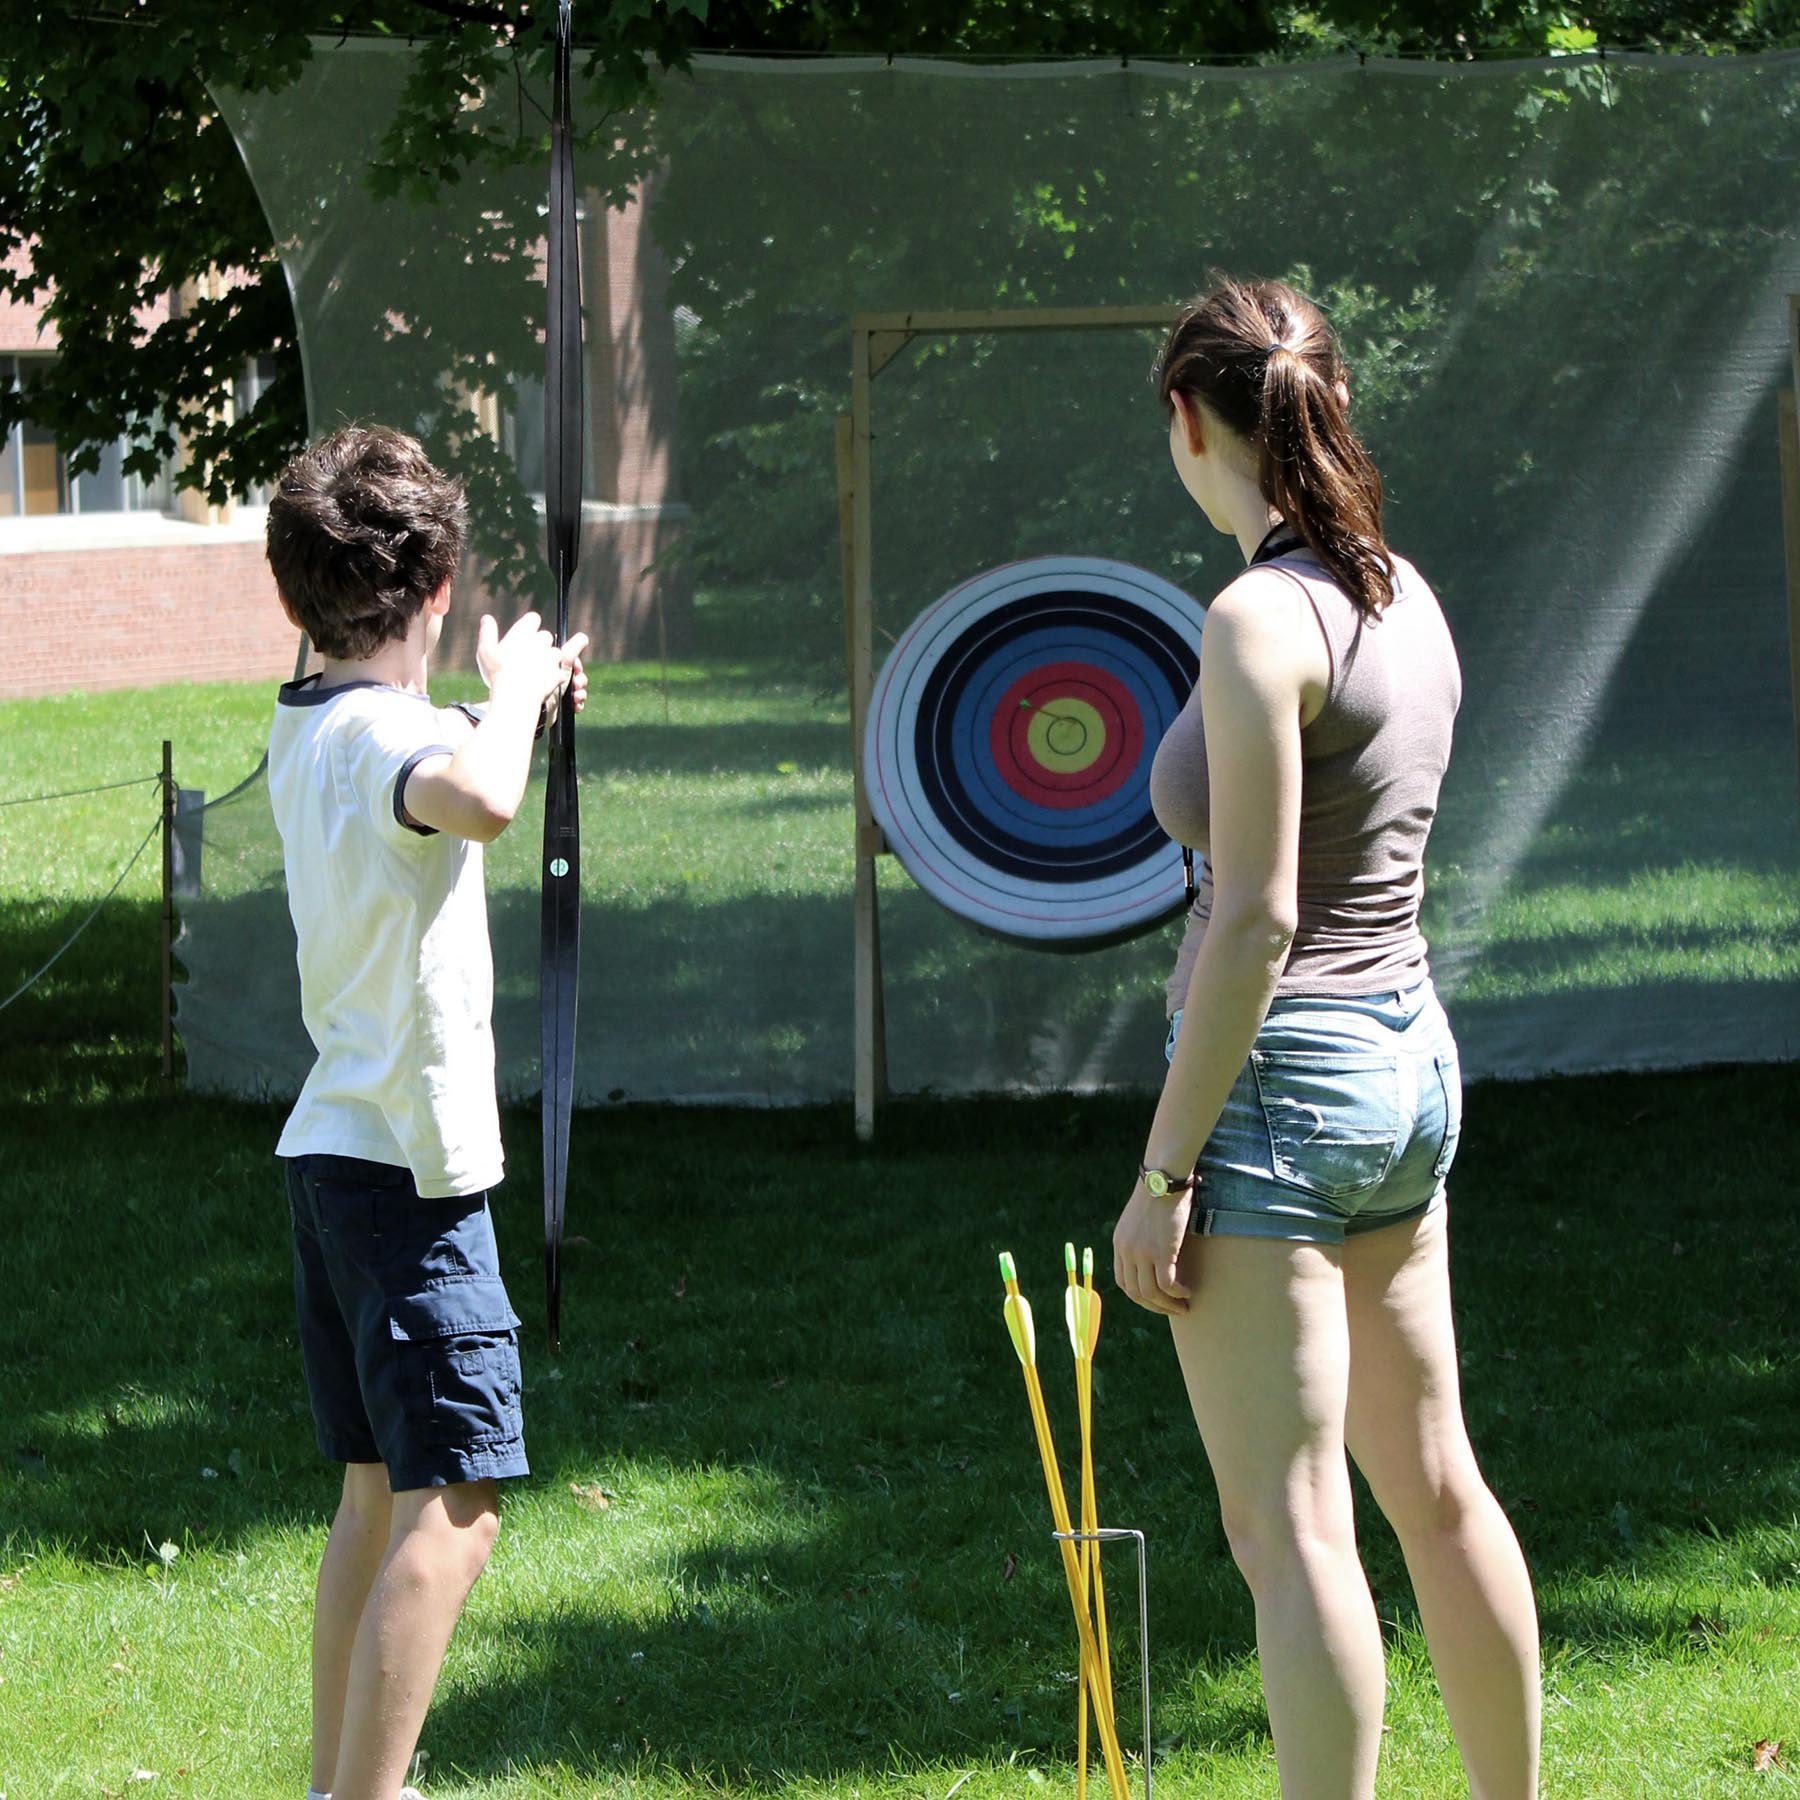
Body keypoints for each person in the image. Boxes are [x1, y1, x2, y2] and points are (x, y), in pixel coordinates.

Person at [1111, 280, 1540, 1800]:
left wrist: (1163, 1178)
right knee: (1435, 1490)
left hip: (1284, 1082)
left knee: (1291, 1529)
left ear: (1186, 419)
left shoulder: (1255, 617)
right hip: (1408, 1063)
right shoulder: (1400, 592)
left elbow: (1257, 921)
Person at [264, 423, 587, 1800]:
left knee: (371, 1496)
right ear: (441, 584)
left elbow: (424, 762)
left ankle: (341, 1786)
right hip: (407, 1181)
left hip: (336, 1157)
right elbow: (482, 795)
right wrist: (509, 690)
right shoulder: (404, 740)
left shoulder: (313, 720)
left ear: (296, 595)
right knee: (452, 1510)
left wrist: (516, 698)